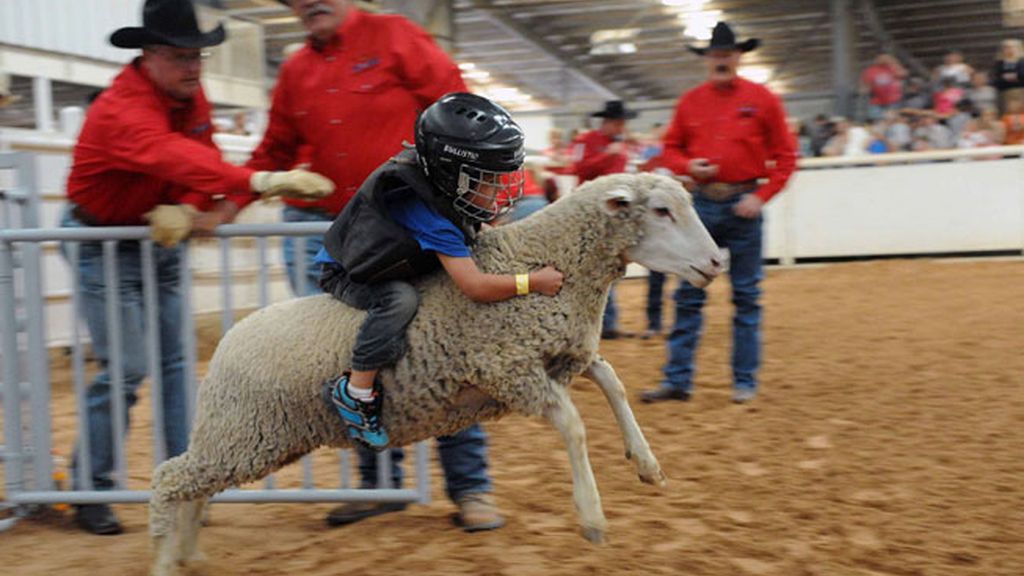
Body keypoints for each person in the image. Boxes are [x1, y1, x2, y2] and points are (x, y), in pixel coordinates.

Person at [61, 0, 333, 536]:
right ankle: (88, 486)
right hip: (101, 239)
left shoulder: (189, 95)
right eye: (182, 56)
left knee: (175, 363)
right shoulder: (120, 108)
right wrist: (255, 181)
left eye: (199, 57)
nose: (194, 67)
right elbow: (169, 154)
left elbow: (197, 157)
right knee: (128, 366)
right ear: (151, 55)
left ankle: (186, 484)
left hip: (158, 237)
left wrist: (187, 205)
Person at [255, 0, 507, 531]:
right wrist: (226, 197)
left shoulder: (396, 37)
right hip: (350, 243)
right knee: (355, 355)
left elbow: (461, 108)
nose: (307, 4)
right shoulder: (296, 69)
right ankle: (379, 483)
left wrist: (477, 186)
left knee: (449, 350)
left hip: (419, 229)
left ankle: (471, 486)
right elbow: (274, 148)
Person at [317, 92, 563, 524]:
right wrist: (532, 282)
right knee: (399, 304)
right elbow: (475, 285)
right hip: (355, 274)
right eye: (486, 179)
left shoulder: (442, 192)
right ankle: (354, 393)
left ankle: (470, 488)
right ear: (453, 173)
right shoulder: (427, 212)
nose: (498, 189)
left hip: (405, 262)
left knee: (453, 352)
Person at [640, 22, 796, 405]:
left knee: (746, 297)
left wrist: (762, 197)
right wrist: (691, 165)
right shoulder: (690, 102)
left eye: (727, 54)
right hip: (703, 206)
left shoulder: (764, 100)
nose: (721, 60)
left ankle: (743, 381)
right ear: (708, 59)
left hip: (744, 205)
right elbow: (669, 149)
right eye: (715, 55)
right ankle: (678, 380)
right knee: (689, 294)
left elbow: (788, 156)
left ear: (738, 56)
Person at [571, 100, 637, 339]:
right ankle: (596, 323)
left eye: (622, 123)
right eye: (618, 123)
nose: (621, 128)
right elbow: (579, 168)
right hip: (590, 212)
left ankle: (606, 323)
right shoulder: (586, 141)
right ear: (607, 122)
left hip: (613, 214)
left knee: (609, 268)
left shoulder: (620, 147)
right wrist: (605, 156)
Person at [861, 53, 907, 122]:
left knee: (892, 119)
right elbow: (865, 85)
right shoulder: (870, 70)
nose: (883, 60)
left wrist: (892, 61)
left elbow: (903, 74)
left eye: (885, 58)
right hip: (877, 101)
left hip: (893, 100)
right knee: (877, 119)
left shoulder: (892, 68)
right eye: (881, 58)